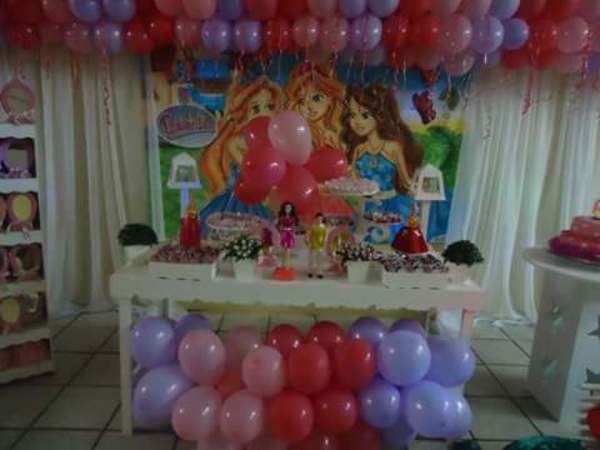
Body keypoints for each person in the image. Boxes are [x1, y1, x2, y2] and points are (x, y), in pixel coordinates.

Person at [198, 76, 283, 230]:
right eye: (255, 108)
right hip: (238, 199)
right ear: (244, 113)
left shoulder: (274, 142)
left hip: (261, 200)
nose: (264, 113)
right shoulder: (236, 142)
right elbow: (252, 171)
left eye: (270, 107)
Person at [342, 85, 424, 219]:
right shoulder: (359, 149)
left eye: (364, 115)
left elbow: (405, 181)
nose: (357, 121)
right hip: (365, 206)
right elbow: (355, 179)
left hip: (390, 205)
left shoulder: (392, 147)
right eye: (352, 115)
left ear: (380, 116)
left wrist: (421, 190)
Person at [285, 64, 346, 150]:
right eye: (302, 101)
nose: (309, 107)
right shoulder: (301, 133)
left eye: (316, 98)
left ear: (330, 98)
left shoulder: (332, 132)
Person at [277, 202, 299, 268]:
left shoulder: (293, 217)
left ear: (291, 209)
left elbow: (294, 227)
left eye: (289, 207)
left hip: (290, 234)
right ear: (284, 208)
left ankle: (287, 264)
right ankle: (283, 264)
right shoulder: (282, 217)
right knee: (284, 250)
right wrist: (280, 231)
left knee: (288, 250)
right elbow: (280, 226)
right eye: (286, 207)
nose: (287, 209)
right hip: (284, 234)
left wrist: (294, 234)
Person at [307, 212, 327, 278]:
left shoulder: (323, 226)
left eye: (320, 219)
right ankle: (310, 271)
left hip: (320, 244)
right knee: (312, 259)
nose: (319, 220)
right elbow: (309, 235)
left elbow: (325, 235)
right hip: (313, 244)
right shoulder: (313, 226)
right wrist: (309, 242)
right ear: (315, 219)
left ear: (322, 219)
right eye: (318, 219)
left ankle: (319, 272)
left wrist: (324, 242)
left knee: (320, 259)